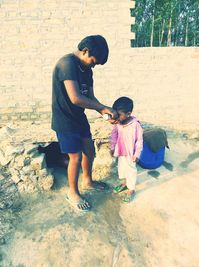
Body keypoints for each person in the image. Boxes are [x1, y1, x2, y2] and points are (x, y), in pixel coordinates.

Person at [51, 35, 117, 211]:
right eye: (93, 61)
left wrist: (103, 110)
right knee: (75, 157)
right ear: (85, 51)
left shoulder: (87, 70)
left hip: (79, 117)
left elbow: (90, 97)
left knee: (89, 149)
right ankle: (72, 193)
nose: (93, 65)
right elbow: (75, 98)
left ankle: (87, 181)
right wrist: (101, 107)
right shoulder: (67, 64)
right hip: (64, 118)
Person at [110, 97, 143, 203]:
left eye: (119, 115)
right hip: (120, 151)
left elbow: (139, 141)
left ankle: (131, 189)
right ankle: (125, 183)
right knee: (123, 169)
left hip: (130, 153)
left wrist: (137, 154)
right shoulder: (117, 123)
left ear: (128, 113)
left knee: (131, 171)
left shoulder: (135, 125)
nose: (116, 117)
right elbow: (114, 135)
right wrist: (112, 147)